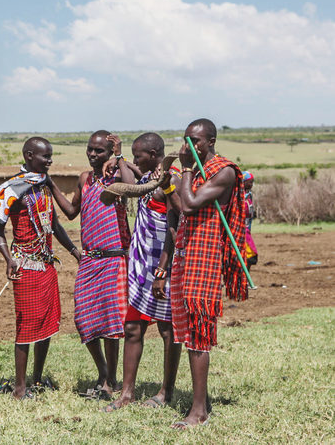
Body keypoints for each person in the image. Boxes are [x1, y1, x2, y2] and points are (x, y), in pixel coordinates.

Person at [0, 137, 80, 400]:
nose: (49, 161)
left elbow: (56, 225)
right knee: (26, 326)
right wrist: (8, 260)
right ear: (29, 156)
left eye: (50, 156)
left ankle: (36, 380)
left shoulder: (45, 186)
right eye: (44, 156)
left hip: (47, 264)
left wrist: (74, 251)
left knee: (46, 325)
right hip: (24, 265)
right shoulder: (14, 188)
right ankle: (19, 388)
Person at [169, 118, 249, 429]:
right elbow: (177, 203)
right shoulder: (198, 170)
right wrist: (170, 182)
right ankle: (197, 404)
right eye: (187, 139)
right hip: (188, 254)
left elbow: (188, 205)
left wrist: (185, 170)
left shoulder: (224, 171)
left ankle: (199, 411)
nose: (190, 145)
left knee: (199, 332)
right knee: (189, 331)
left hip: (206, 257)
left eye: (196, 140)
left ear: (211, 141)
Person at [102, 133, 182, 412]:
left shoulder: (170, 181)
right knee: (132, 327)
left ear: (153, 153)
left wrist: (163, 269)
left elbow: (174, 227)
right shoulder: (150, 180)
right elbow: (129, 179)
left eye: (138, 156)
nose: (136, 161)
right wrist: (120, 155)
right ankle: (126, 393)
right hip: (141, 266)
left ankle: (166, 392)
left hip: (163, 265)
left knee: (167, 329)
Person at [51, 131, 131, 400]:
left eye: (100, 151)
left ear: (109, 153)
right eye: (90, 149)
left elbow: (131, 185)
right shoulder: (85, 179)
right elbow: (72, 213)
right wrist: (51, 186)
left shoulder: (117, 179)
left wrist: (120, 156)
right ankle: (104, 371)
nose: (94, 155)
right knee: (84, 319)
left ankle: (109, 381)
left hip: (113, 257)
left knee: (110, 323)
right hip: (90, 259)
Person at [242, 171, 258, 269]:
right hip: (240, 230)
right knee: (250, 256)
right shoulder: (238, 196)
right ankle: (244, 280)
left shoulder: (249, 195)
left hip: (247, 229)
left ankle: (245, 281)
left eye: (252, 182)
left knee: (248, 257)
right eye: (249, 182)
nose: (251, 184)